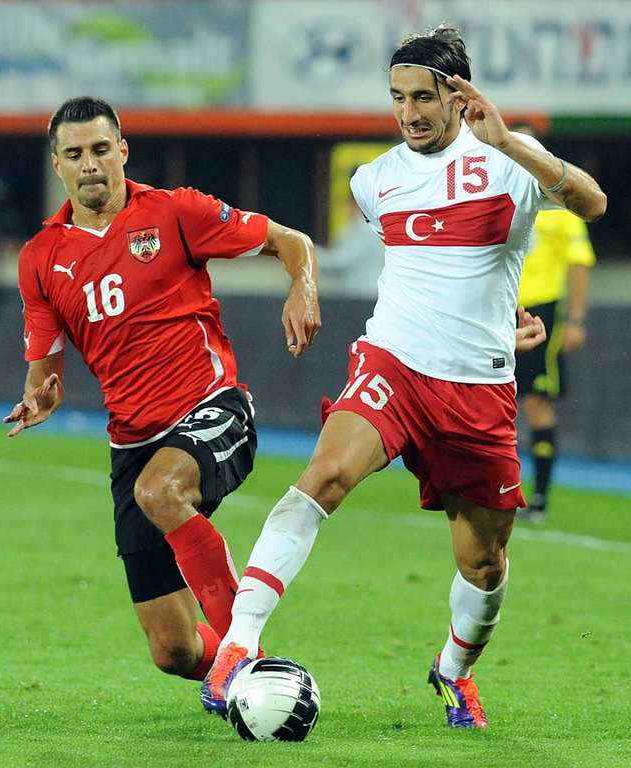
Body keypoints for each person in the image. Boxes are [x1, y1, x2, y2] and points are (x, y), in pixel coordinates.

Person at [200, 24, 606, 729]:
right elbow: (424, 273)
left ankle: (453, 672)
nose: (409, 112)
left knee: (485, 564)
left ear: (458, 95)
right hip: (393, 362)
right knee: (323, 477)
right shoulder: (376, 180)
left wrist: (510, 147)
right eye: (397, 97)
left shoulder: (510, 158)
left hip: (477, 387)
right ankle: (236, 647)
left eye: (422, 96)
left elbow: (592, 203)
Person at [4, 97, 320, 685]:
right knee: (173, 651)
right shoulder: (40, 258)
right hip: (132, 441)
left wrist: (302, 288)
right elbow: (43, 369)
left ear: (123, 152)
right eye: (75, 154)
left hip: (212, 407)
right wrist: (40, 397)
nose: (90, 164)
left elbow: (291, 240)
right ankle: (249, 680)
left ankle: (246, 661)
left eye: (101, 149)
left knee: (161, 490)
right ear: (57, 165)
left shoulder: (177, 212)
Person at [510, 122, 597, 523]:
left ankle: (540, 497)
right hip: (495, 307)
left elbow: (579, 263)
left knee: (535, 398)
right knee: (480, 398)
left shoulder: (558, 204)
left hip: (540, 309)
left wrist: (575, 319)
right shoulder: (494, 192)